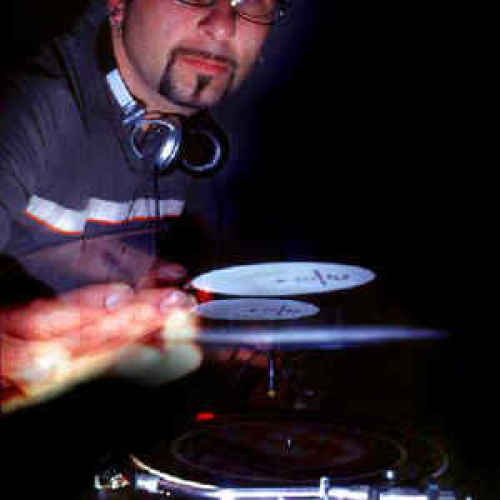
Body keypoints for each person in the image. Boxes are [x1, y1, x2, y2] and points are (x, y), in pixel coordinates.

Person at [0, 0, 290, 412]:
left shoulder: (196, 138)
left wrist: (211, 337)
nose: (223, 26)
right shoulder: (26, 105)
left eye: (253, 1)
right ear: (118, 4)